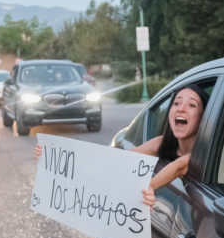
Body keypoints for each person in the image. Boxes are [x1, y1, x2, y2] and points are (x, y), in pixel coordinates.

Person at [34, 84, 208, 205]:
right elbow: (118, 160)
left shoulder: (203, 154)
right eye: (176, 103)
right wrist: (54, 156)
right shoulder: (162, 143)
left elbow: (179, 167)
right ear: (169, 113)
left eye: (192, 105)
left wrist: (149, 188)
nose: (181, 108)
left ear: (204, 118)